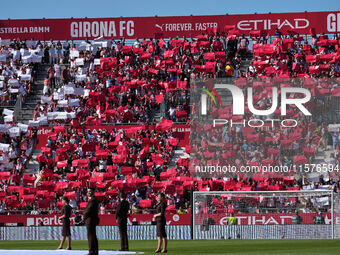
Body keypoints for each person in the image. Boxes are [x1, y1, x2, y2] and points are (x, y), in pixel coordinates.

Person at [83, 188, 99, 255]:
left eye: (90, 191)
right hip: (92, 219)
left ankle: (92, 251)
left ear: (93, 191)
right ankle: (94, 251)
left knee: (91, 236)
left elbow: (89, 209)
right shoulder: (93, 199)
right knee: (93, 235)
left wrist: (84, 216)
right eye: (88, 191)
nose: (88, 192)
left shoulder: (93, 200)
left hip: (90, 219)